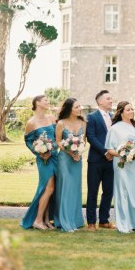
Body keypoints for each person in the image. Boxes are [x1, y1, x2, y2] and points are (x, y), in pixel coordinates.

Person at [21, 95, 58, 230]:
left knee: (51, 189)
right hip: (44, 160)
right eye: (45, 100)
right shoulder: (31, 122)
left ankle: (47, 220)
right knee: (48, 188)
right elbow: (28, 141)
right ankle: (37, 220)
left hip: (55, 157)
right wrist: (40, 152)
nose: (48, 102)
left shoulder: (51, 118)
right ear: (37, 103)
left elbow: (57, 135)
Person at [105, 101, 135, 233]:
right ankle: (124, 222)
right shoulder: (114, 128)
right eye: (128, 110)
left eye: (132, 109)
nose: (131, 111)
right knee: (123, 191)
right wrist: (123, 154)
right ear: (121, 112)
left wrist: (132, 154)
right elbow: (110, 149)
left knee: (134, 191)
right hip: (121, 163)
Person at [85, 90, 115, 231]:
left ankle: (104, 220)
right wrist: (105, 152)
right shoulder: (91, 117)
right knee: (93, 191)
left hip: (111, 160)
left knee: (108, 191)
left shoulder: (113, 117)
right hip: (96, 160)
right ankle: (91, 222)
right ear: (100, 101)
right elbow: (91, 137)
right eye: (108, 99)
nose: (111, 100)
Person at [55, 98, 86, 232]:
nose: (80, 109)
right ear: (69, 109)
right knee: (66, 188)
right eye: (77, 107)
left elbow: (83, 141)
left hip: (77, 160)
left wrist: (79, 153)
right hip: (64, 160)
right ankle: (65, 221)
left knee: (75, 188)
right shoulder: (61, 123)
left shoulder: (83, 123)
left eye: (80, 106)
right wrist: (70, 152)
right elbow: (58, 142)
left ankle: (75, 220)